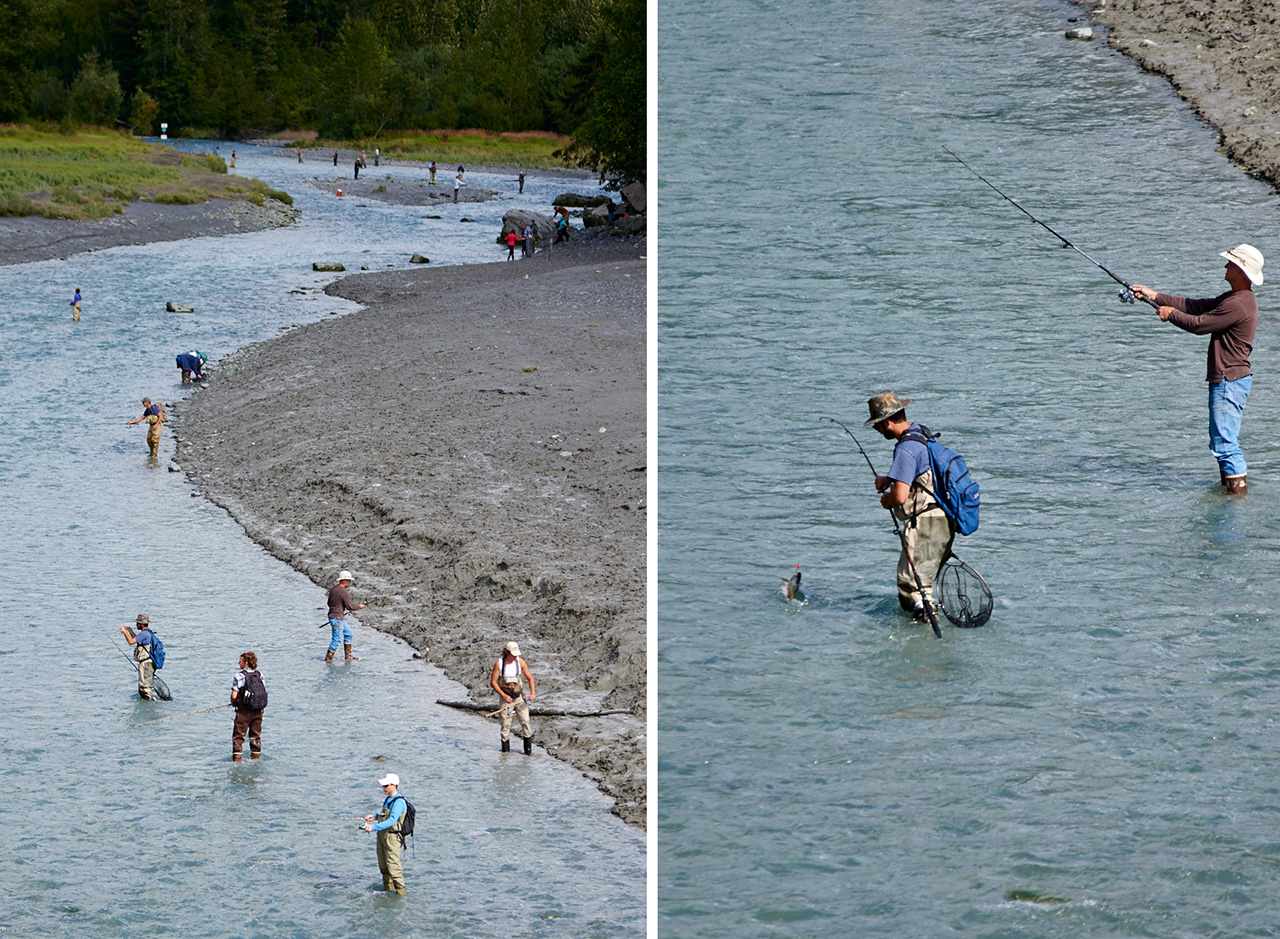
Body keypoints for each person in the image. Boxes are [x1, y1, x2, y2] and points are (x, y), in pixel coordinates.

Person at [1132, 243, 1263, 494]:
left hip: (1229, 380)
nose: (1226, 266)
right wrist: (1154, 295)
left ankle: (1236, 501)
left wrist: (1170, 314)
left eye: (1231, 263)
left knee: (1225, 445)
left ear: (1242, 272)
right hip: (1230, 379)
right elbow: (1195, 306)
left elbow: (1199, 324)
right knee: (1222, 442)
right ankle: (1230, 495)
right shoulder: (1235, 298)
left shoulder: (1238, 304)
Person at [866, 391, 954, 620]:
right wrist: (890, 478)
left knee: (913, 589)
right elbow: (922, 475)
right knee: (922, 586)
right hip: (943, 522)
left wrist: (886, 499)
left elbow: (899, 498)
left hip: (926, 526)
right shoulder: (921, 433)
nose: (878, 431)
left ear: (886, 422)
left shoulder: (905, 448)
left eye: (877, 426)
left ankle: (927, 639)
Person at [362, 773, 408, 896]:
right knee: (384, 867)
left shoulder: (399, 802)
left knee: (393, 867)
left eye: (386, 785)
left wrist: (373, 827)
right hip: (382, 836)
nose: (383, 788)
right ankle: (388, 890)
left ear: (394, 785)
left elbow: (392, 820)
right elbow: (385, 816)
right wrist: (375, 816)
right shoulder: (388, 799)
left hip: (392, 838)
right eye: (383, 786)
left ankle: (401, 893)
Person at [489, 641, 536, 753]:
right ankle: (505, 752)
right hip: (506, 699)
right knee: (506, 724)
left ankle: (528, 752)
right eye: (513, 654)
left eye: (516, 654)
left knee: (525, 721)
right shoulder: (499, 664)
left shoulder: (520, 662)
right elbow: (493, 682)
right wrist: (504, 695)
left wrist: (532, 693)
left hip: (519, 698)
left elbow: (530, 678)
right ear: (507, 652)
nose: (515, 656)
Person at [230, 651, 266, 761]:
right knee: (255, 736)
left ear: (246, 662)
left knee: (238, 737)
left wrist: (233, 703)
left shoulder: (239, 676)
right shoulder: (259, 675)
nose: (238, 663)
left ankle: (237, 761)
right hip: (258, 711)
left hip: (244, 713)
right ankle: (255, 758)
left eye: (240, 661)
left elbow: (234, 695)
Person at [326, 570, 366, 661]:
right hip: (338, 618)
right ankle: (328, 659)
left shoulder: (333, 589)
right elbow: (350, 606)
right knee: (336, 640)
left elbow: (329, 603)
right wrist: (359, 606)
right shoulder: (343, 592)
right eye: (348, 580)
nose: (350, 582)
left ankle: (348, 656)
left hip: (333, 617)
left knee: (349, 634)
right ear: (344, 580)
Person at [119, 614, 158, 699]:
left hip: (146, 664)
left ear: (141, 624)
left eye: (137, 623)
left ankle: (149, 705)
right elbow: (137, 639)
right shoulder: (147, 632)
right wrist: (129, 630)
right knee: (144, 686)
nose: (136, 625)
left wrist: (124, 632)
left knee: (145, 688)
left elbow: (131, 642)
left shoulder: (144, 634)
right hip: (148, 662)